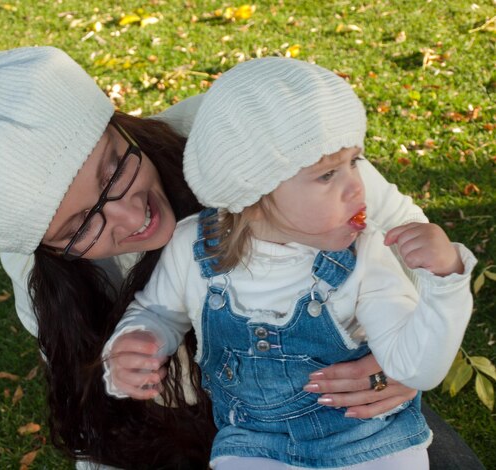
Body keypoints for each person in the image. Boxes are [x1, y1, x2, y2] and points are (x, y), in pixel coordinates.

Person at [0, 46, 484, 469]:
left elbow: (404, 234)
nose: (129, 216)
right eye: (80, 226)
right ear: (46, 248)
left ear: (117, 122)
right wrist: (129, 358)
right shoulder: (42, 285)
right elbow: (106, 419)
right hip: (196, 437)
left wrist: (398, 362)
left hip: (345, 403)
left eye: (115, 168)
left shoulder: (248, 136)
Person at [103, 58, 477, 469]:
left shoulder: (366, 256)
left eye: (354, 161)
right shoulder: (193, 248)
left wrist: (444, 282)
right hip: (252, 445)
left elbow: (415, 368)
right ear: (254, 195)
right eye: (327, 175)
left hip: (370, 440)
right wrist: (138, 340)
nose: (356, 185)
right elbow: (157, 310)